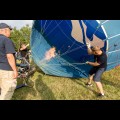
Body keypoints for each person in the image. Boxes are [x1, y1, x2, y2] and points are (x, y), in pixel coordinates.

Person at [0, 23, 18, 100]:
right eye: (9, 30)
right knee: (6, 93)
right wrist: (15, 70)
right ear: (5, 30)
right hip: (6, 70)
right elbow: (10, 56)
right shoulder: (6, 40)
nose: (10, 32)